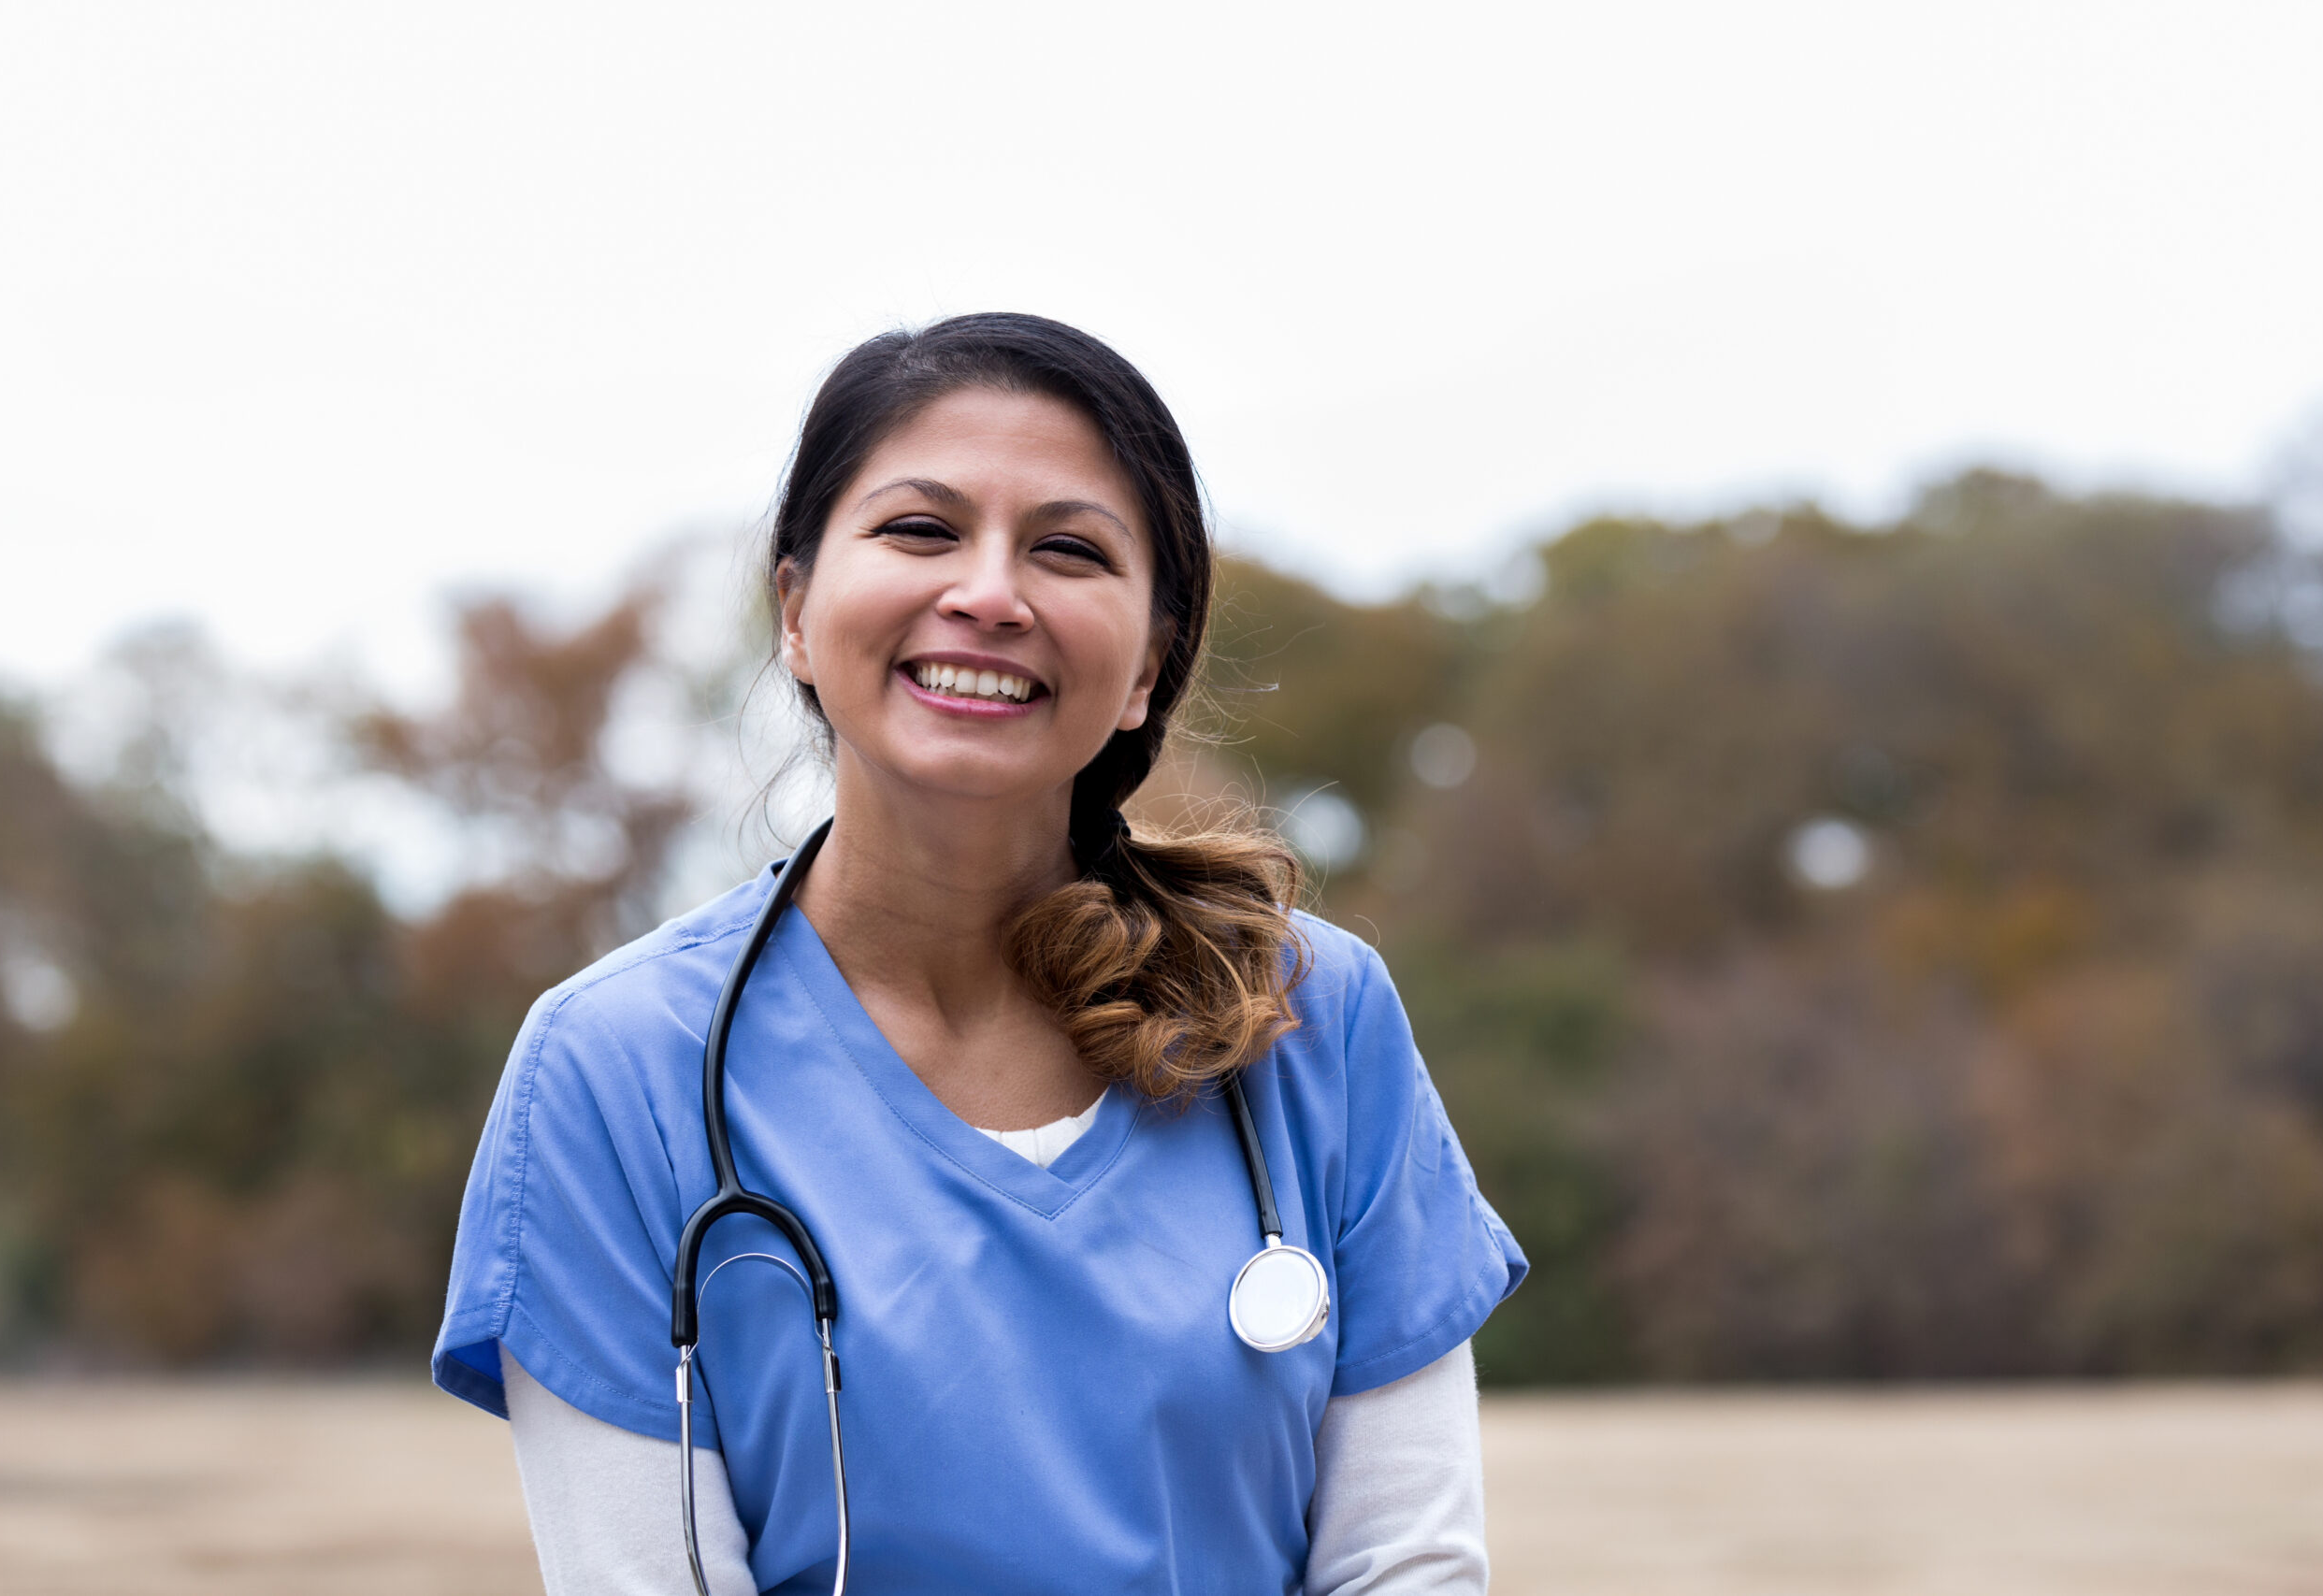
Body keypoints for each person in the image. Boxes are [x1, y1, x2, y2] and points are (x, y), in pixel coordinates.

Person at [432, 312, 1526, 1594]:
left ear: (1147, 668)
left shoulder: (1307, 1016)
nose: (990, 595)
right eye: (920, 530)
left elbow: (1408, 1563)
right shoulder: (615, 1069)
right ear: (795, 608)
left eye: (1068, 549)